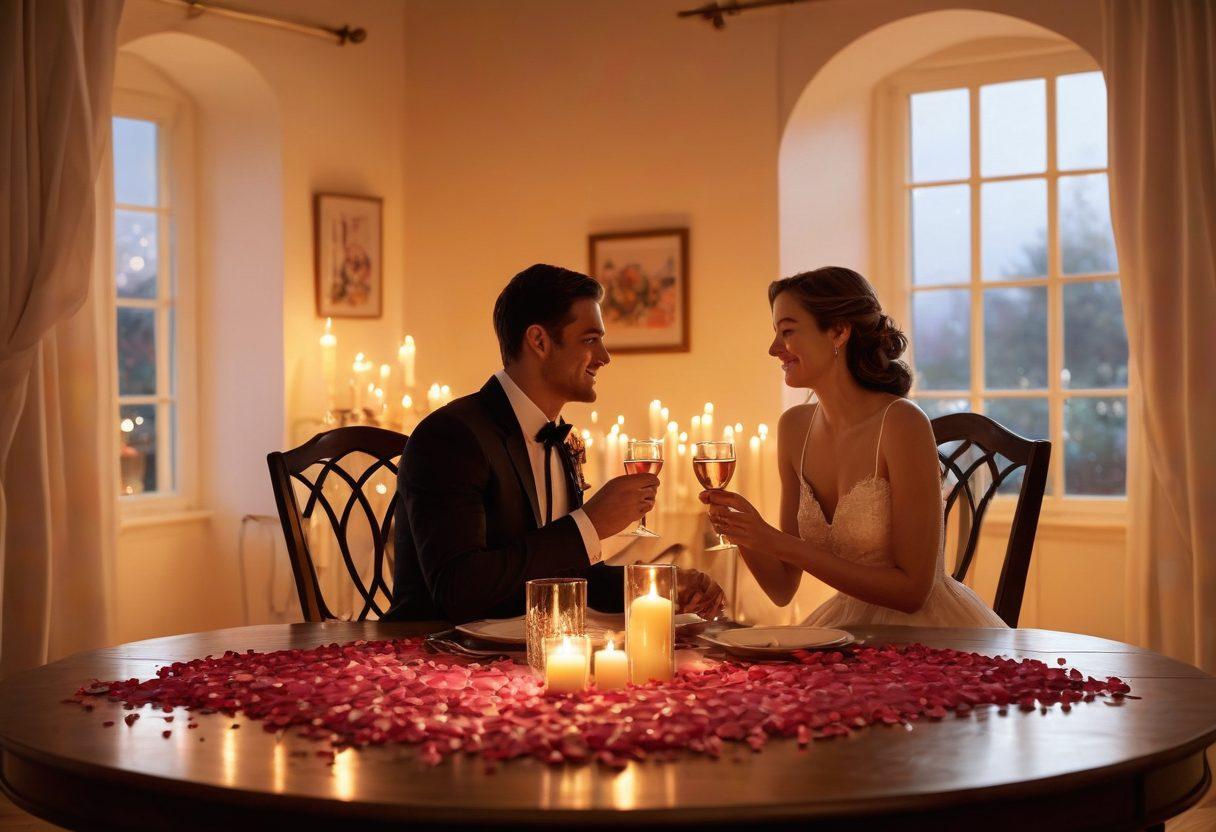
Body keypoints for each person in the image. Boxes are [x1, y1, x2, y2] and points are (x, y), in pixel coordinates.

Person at [387, 264, 724, 623]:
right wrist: (589, 524)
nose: (605, 357)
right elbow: (460, 590)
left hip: (521, 657)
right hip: (431, 656)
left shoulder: (559, 437)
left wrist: (659, 586)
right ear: (540, 341)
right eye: (590, 340)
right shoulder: (452, 437)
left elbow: (568, 575)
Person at [700, 266, 1005, 627]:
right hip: (848, 629)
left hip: (928, 634)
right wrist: (746, 533)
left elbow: (912, 593)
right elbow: (781, 587)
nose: (774, 348)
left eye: (787, 331)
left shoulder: (902, 424)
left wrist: (777, 541)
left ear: (839, 331)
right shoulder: (794, 428)